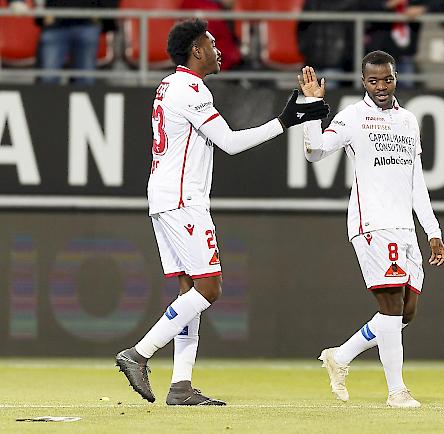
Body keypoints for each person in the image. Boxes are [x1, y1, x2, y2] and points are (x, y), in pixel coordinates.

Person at [115, 18, 329, 406]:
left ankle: (180, 387)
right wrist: (283, 123)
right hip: (184, 200)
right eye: (212, 43)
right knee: (208, 288)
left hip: (164, 197)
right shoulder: (191, 88)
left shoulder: (169, 84)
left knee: (188, 291)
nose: (219, 50)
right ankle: (139, 353)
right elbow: (229, 143)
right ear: (196, 51)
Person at [298, 51, 444, 408]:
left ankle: (341, 356)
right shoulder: (352, 118)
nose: (381, 87)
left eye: (388, 79)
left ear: (396, 79)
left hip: (405, 227)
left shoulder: (409, 121)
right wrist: (310, 106)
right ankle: (397, 391)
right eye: (374, 81)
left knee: (405, 312)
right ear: (364, 82)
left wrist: (432, 230)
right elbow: (314, 151)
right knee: (392, 307)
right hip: (372, 224)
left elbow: (416, 182)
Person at [9, 0, 118, 85]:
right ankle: (43, 112)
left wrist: (102, 12)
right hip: (55, 23)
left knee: (85, 80)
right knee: (47, 79)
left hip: (88, 23)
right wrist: (42, 12)